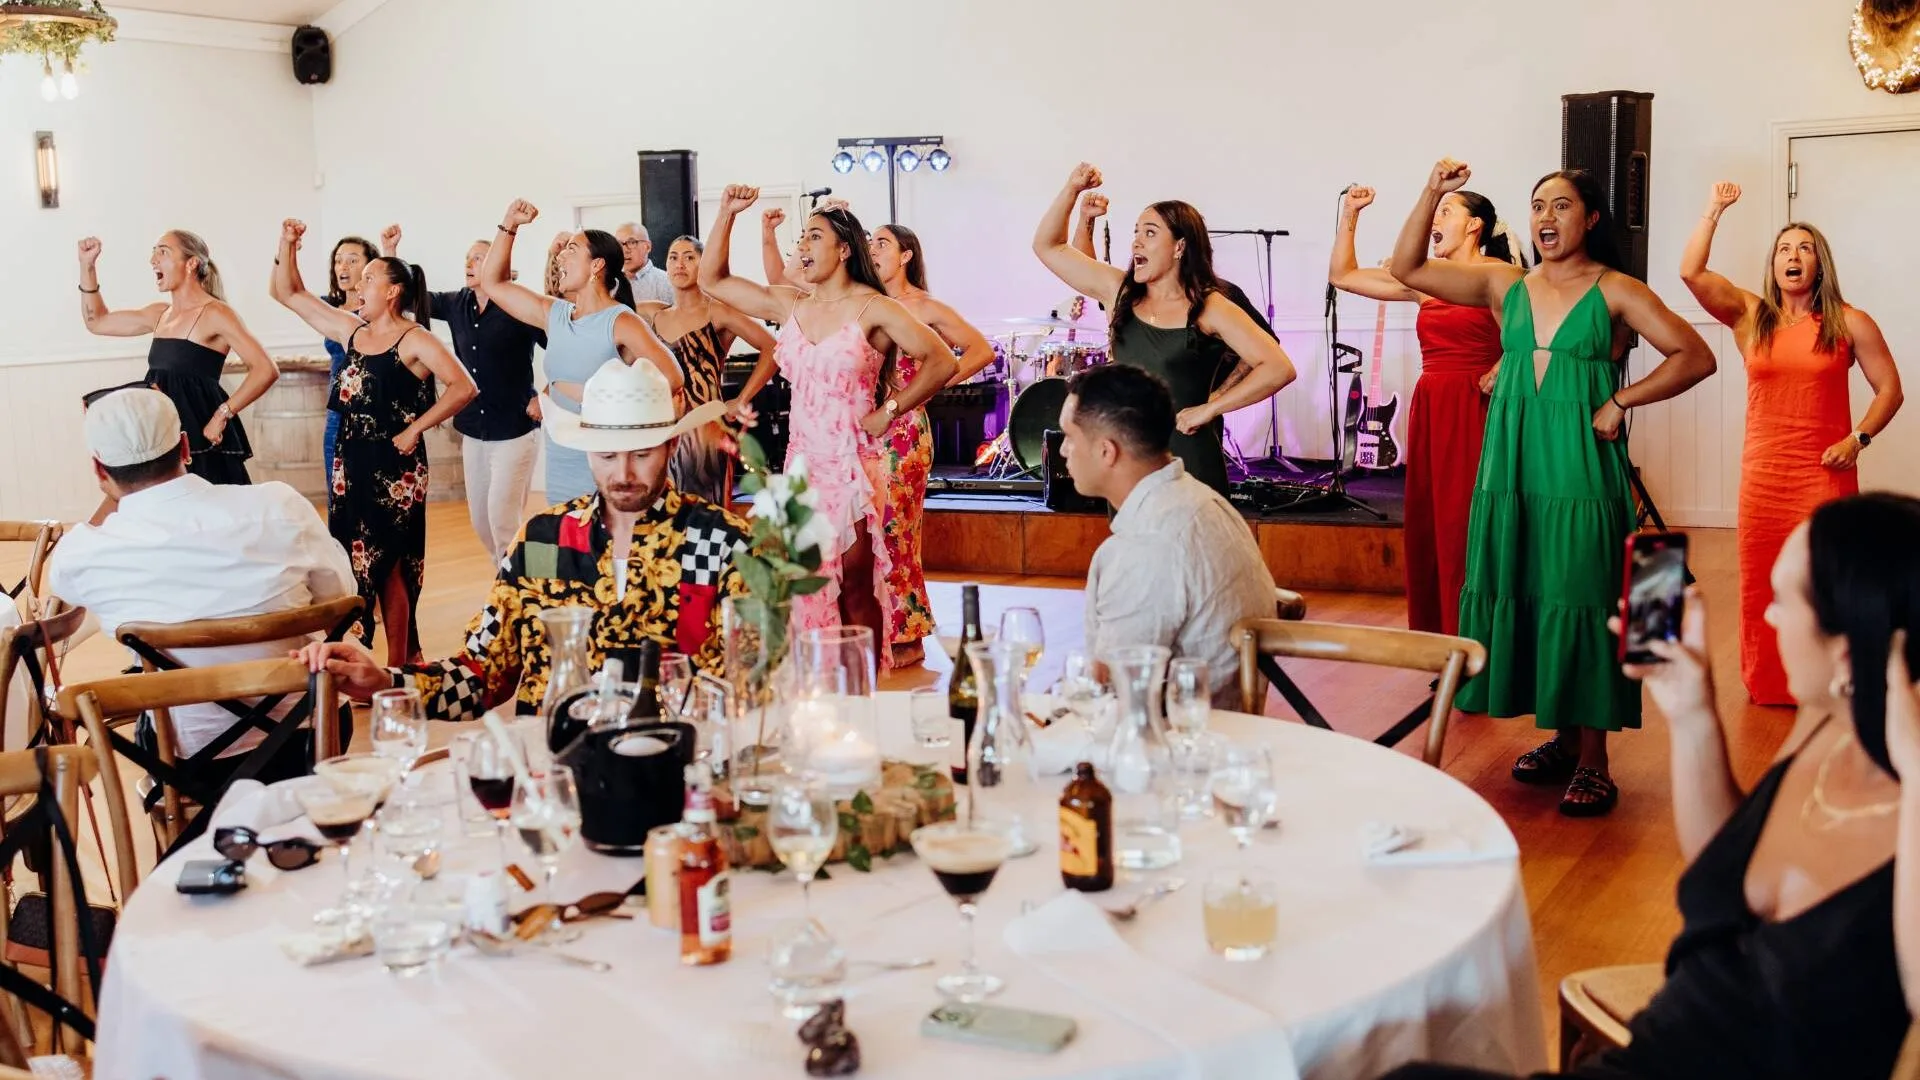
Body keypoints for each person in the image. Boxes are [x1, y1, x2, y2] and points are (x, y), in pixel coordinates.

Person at [1380, 493, 1920, 1080]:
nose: (1766, 616)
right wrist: (1693, 715)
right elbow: (1724, 865)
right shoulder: (1826, 725)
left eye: (1783, 601)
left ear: (1844, 653)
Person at [1389, 159, 1717, 816]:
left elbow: (1695, 356)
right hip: (1510, 468)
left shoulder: (1616, 289)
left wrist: (1623, 399)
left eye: (1562, 205)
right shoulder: (1503, 284)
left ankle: (1595, 760)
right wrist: (1433, 192)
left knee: (1582, 595)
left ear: (1590, 218)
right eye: (1538, 205)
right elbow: (1407, 269)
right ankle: (1564, 739)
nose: (1546, 217)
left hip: (1578, 468)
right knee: (1532, 588)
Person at [297, 359, 743, 722]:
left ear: (670, 446)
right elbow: (481, 674)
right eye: (606, 455)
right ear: (586, 449)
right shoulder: (541, 542)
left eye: (642, 454)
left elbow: (751, 688)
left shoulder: (722, 544)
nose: (623, 475)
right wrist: (388, 683)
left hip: (679, 780)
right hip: (556, 778)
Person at [698, 186, 955, 659]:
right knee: (797, 584)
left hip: (852, 465)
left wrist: (890, 411)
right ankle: (816, 689)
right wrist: (726, 214)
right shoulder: (791, 304)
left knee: (855, 586)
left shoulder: (874, 307)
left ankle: (863, 697)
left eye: (813, 237)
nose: (802, 248)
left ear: (842, 249)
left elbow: (941, 360)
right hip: (801, 467)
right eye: (802, 238)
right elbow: (712, 278)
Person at [45, 387, 354, 776]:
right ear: (186, 447)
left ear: (99, 470)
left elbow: (65, 601)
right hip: (312, 733)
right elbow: (339, 596)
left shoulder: (83, 552)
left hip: (189, 761)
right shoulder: (280, 506)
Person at [1680, 182, 1904, 708]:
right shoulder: (1751, 316)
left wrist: (1858, 438)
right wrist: (1713, 209)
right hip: (1763, 473)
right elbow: (1692, 272)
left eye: (1804, 248)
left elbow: (1890, 390)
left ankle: (1836, 682)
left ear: (1819, 264)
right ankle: (1772, 683)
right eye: (1784, 248)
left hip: (1824, 473)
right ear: (1774, 264)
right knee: (1763, 581)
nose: (1793, 255)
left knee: (1823, 580)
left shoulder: (1850, 322)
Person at [269, 219, 477, 667]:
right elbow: (288, 293)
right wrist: (287, 243)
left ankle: (399, 665)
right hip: (351, 458)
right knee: (351, 559)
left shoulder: (416, 338)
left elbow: (464, 387)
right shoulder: (352, 332)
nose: (358, 285)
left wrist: (416, 427)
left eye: (368, 278)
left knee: (392, 565)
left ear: (393, 292)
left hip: (396, 464)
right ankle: (357, 655)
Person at [1033, 163, 1297, 498]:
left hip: (1189, 458)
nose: (1136, 243)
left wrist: (1210, 408)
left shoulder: (1210, 306)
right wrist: (1072, 189)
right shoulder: (1120, 292)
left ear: (1179, 247)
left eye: (1150, 233)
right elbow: (1048, 246)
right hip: (1125, 462)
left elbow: (1278, 367)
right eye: (1136, 232)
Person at [1330, 183, 1525, 636]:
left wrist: (1501, 366)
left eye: (1446, 211)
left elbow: (1529, 337)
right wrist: (1351, 215)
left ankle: (1481, 637)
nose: (1434, 221)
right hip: (1432, 403)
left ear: (1475, 225)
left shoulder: (1501, 275)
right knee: (1434, 522)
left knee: (1466, 522)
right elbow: (1343, 276)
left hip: (1477, 404)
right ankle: (1442, 636)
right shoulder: (1426, 280)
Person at [1062, 364, 1277, 705]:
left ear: (1107, 451)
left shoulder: (1147, 544)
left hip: (1176, 740)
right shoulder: (1201, 500)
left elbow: (1114, 691)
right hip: (1224, 727)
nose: (1063, 452)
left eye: (1069, 438)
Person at [481, 200, 683, 505]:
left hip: (608, 456)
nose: (561, 255)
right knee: (570, 537)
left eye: (572, 249)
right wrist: (510, 224)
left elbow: (672, 377)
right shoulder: (556, 313)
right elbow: (493, 282)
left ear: (596, 265)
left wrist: (602, 399)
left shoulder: (622, 321)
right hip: (562, 449)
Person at [868, 222, 995, 665]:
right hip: (866, 430)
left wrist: (929, 388)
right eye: (870, 243)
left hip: (903, 431)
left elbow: (980, 349)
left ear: (905, 255)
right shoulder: (868, 303)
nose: (873, 249)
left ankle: (907, 636)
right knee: (869, 532)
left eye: (882, 243)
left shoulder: (923, 306)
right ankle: (875, 628)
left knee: (896, 532)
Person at [386, 226, 549, 559]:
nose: (470, 263)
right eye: (468, 258)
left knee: (503, 522)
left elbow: (566, 352)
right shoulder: (456, 303)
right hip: (473, 430)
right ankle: (520, 580)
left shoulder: (521, 305)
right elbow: (411, 298)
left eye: (479, 257)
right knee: (481, 523)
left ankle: (523, 589)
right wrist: (391, 252)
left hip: (514, 430)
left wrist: (545, 395)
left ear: (500, 264)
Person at [76, 232, 279, 489]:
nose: (153, 260)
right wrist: (88, 265)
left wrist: (222, 415)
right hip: (162, 433)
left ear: (191, 263)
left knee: (212, 512)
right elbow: (97, 321)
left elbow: (265, 369)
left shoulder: (216, 313)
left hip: (200, 434)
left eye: (163, 252)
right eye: (154, 251)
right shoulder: (160, 314)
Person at [633, 236, 777, 507]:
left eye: (689, 257)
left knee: (707, 517)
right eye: (673, 257)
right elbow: (608, 313)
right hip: (663, 431)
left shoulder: (718, 313)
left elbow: (772, 347)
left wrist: (742, 399)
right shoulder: (654, 314)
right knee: (665, 517)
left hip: (705, 433)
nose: (680, 264)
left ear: (703, 264)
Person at [320, 234, 382, 482]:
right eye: (338, 260)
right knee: (338, 490)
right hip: (338, 412)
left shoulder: (378, 310)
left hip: (374, 410)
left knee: (374, 490)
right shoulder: (329, 308)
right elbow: (289, 292)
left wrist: (390, 249)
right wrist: (288, 245)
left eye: (352, 260)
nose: (343, 267)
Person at [617, 222, 675, 306]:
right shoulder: (610, 282)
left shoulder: (667, 282)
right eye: (619, 244)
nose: (625, 250)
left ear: (648, 247)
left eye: (632, 242)